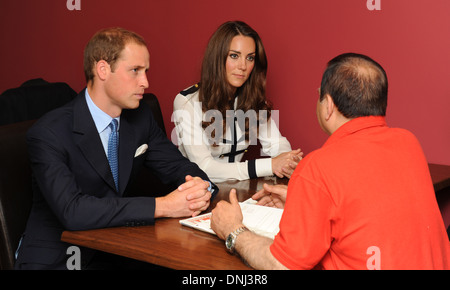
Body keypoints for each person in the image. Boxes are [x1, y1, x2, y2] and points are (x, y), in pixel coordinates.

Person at [210, 53, 450, 270]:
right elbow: (371, 200)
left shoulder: (318, 167)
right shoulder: (408, 142)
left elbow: (281, 265)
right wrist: (304, 200)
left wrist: (234, 231)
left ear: (328, 107)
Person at [15, 27, 217, 270]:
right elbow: (73, 211)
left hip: (115, 248)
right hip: (58, 258)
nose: (145, 82)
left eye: (146, 71)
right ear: (103, 70)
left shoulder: (140, 117)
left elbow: (179, 166)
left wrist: (201, 187)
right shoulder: (48, 133)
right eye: (135, 71)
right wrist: (164, 206)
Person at [173, 21, 303, 182]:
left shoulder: (253, 100)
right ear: (217, 58)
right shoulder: (187, 102)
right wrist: (271, 165)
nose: (243, 66)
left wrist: (287, 160)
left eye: (250, 58)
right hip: (196, 193)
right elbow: (204, 168)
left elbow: (277, 143)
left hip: (238, 190)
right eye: (234, 56)